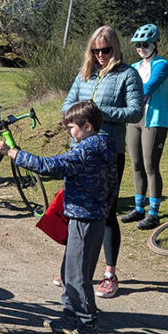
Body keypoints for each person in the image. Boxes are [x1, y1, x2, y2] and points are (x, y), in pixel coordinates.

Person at [0, 100, 117, 334]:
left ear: (88, 126)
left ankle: (87, 327)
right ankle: (70, 315)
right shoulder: (105, 143)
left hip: (85, 218)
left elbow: (50, 166)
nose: (69, 132)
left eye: (72, 127)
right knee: (68, 271)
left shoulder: (87, 150)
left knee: (76, 276)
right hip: (89, 216)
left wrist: (12, 153)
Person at [61, 26, 143, 299]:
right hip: (78, 153)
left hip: (108, 154)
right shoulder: (85, 74)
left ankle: (110, 273)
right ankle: (73, 271)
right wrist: (78, 114)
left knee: (105, 213)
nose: (100, 56)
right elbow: (66, 105)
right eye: (95, 50)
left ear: (115, 49)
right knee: (75, 210)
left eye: (105, 50)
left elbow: (134, 112)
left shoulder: (127, 75)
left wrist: (98, 114)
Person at [120, 23, 168, 230]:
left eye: (145, 44)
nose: (141, 48)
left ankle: (154, 213)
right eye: (137, 45)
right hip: (135, 119)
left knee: (151, 166)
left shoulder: (162, 64)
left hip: (155, 119)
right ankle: (139, 207)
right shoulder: (134, 67)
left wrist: (129, 94)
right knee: (136, 164)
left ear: (154, 44)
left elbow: (147, 87)